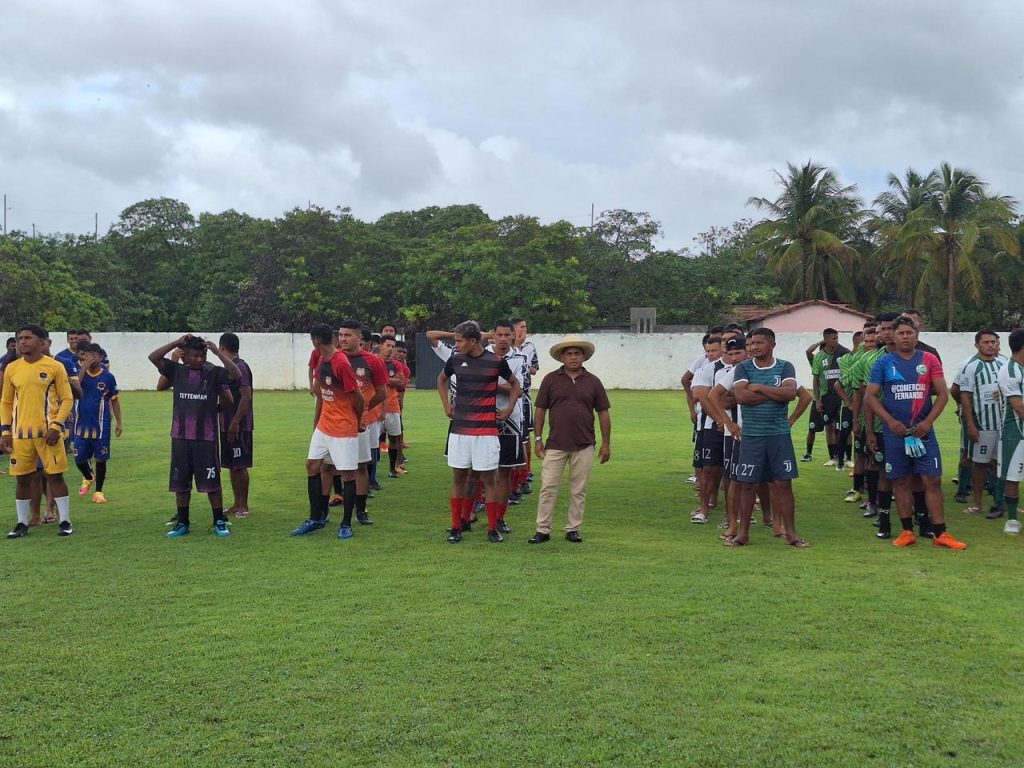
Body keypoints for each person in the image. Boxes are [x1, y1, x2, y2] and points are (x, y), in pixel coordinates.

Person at [864, 317, 965, 549]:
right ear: (894, 337)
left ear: (917, 335)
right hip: (895, 434)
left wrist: (928, 422)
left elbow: (942, 395)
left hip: (923, 433)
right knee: (900, 481)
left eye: (910, 332)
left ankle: (940, 532)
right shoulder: (883, 363)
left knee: (933, 480)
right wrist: (889, 421)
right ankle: (907, 530)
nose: (905, 336)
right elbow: (871, 396)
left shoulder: (928, 360)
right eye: (901, 333)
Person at [148, 335, 242, 538]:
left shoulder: (214, 372)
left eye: (202, 355)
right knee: (181, 483)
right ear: (185, 357)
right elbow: (153, 357)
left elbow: (236, 374)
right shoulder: (177, 371)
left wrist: (217, 353)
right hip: (180, 438)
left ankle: (218, 520)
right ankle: (182, 522)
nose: (199, 359)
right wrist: (175, 343)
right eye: (195, 356)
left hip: (206, 439)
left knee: (212, 483)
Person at [437, 320, 521, 543]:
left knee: (489, 480)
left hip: (486, 431)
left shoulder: (495, 362)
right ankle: (456, 527)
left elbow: (515, 384)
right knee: (459, 478)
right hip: (460, 429)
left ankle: (492, 528)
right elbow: (441, 379)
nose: (456, 344)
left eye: (459, 340)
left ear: (472, 341)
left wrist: (508, 409)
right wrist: (446, 405)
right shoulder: (455, 359)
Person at [727, 328, 808, 548]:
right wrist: (775, 394)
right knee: (748, 485)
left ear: (772, 345)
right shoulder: (743, 367)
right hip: (752, 435)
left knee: (783, 484)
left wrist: (759, 388)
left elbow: (790, 394)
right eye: (751, 343)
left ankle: (791, 534)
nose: (753, 347)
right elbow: (741, 397)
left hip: (778, 435)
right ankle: (742, 534)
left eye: (759, 343)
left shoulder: (785, 366)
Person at [528, 335, 610, 544]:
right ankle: (542, 529)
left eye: (577, 354)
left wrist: (606, 444)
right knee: (548, 487)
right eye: (569, 354)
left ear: (583, 357)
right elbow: (540, 411)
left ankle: (573, 528)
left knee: (578, 489)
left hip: (584, 444)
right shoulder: (550, 379)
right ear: (562, 357)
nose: (573, 358)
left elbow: (603, 413)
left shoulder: (593, 382)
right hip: (555, 444)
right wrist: (538, 439)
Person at [2, 325, 75, 538]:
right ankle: (22, 523)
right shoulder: (12, 368)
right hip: (20, 436)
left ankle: (65, 521)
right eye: (20, 338)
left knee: (55, 476)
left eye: (27, 338)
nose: (22, 342)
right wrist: (5, 430)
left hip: (48, 434)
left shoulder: (54, 367)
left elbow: (67, 398)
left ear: (41, 341)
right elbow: (6, 401)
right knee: (22, 479)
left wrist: (56, 426)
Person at [292, 324, 364, 539]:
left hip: (343, 427)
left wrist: (357, 421)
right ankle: (316, 518)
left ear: (316, 341)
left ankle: (346, 524)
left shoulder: (341, 362)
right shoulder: (319, 357)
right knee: (312, 464)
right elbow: (318, 389)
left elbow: (358, 398)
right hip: (325, 425)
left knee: (347, 474)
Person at [338, 320, 388, 526]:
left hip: (360, 423)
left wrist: (364, 407)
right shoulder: (333, 358)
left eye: (347, 335)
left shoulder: (372, 361)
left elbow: (382, 392)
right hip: (335, 423)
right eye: (340, 335)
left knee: (360, 466)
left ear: (360, 338)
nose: (342, 339)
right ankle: (320, 512)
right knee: (327, 467)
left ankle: (361, 509)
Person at [486, 320, 527, 534]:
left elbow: (518, 390)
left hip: (510, 420)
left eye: (506, 335)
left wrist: (489, 384)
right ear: (492, 335)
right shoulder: (480, 355)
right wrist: (506, 387)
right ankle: (469, 515)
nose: (503, 339)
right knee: (480, 471)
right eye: (499, 334)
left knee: (505, 472)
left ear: (513, 336)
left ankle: (499, 518)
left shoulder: (520, 358)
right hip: (482, 418)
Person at [959, 331, 1005, 518]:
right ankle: (977, 503)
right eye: (986, 342)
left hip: (1004, 425)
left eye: (993, 342)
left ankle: (1002, 501)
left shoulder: (1005, 364)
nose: (991, 345)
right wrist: (970, 424)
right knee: (980, 464)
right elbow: (965, 396)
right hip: (983, 424)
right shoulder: (971, 367)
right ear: (977, 345)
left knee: (1002, 464)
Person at [72, 342, 122, 504]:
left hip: (101, 426)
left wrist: (119, 422)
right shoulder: (78, 373)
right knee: (79, 459)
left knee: (101, 459)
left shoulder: (108, 377)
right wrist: (83, 369)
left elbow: (114, 400)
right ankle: (88, 476)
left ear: (101, 357)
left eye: (95, 355)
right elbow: (74, 388)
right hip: (80, 424)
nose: (91, 358)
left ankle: (99, 492)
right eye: (88, 355)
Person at [218, 333, 254, 519]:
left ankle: (244, 505)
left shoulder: (241, 367)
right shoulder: (227, 369)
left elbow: (246, 396)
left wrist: (235, 422)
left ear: (222, 348)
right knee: (231, 465)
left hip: (240, 426)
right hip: (226, 425)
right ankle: (236, 503)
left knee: (240, 466)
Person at [996, 328, 1024, 535]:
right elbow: (1019, 407)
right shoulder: (1009, 371)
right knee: (1012, 477)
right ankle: (1012, 519)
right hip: (1015, 433)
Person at [378, 335, 406, 478]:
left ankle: (392, 468)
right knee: (374, 440)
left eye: (392, 346)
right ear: (381, 346)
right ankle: (371, 475)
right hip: (375, 407)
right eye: (388, 345)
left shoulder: (396, 365)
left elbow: (401, 383)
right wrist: (392, 380)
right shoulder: (374, 362)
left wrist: (385, 379)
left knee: (394, 438)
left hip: (392, 406)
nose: (390, 349)